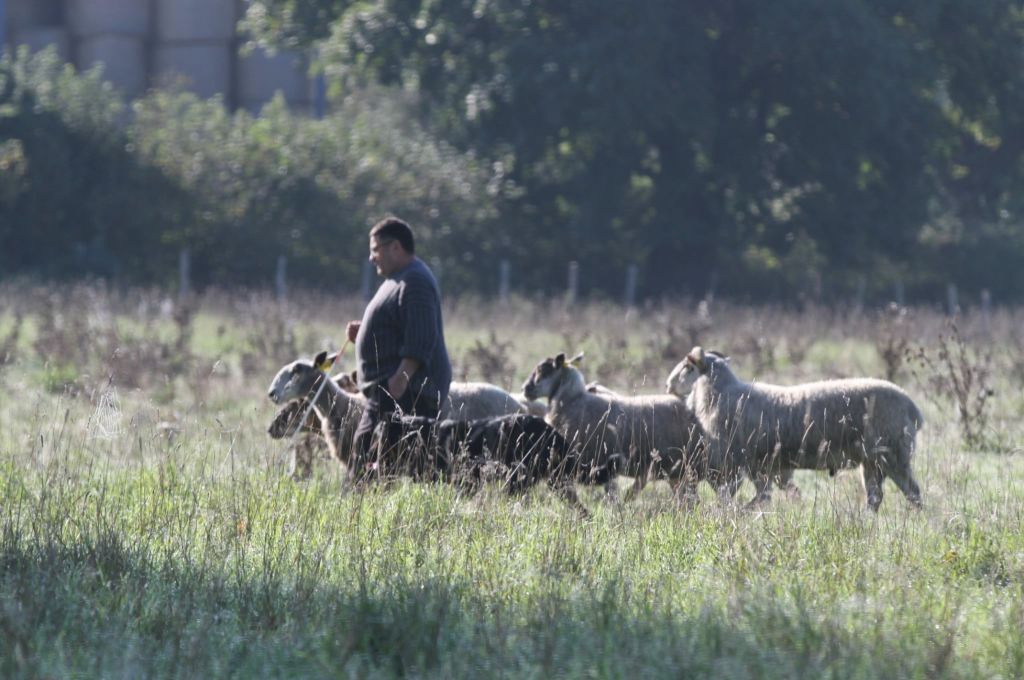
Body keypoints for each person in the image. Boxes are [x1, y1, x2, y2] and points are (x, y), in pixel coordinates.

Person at [346, 217, 452, 477]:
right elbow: (400, 324)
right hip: (390, 393)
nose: (372, 258)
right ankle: (370, 510)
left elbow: (421, 337)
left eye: (375, 249)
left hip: (406, 393)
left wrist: (400, 380)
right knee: (368, 455)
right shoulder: (399, 279)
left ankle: (379, 512)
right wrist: (365, 335)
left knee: (387, 464)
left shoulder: (414, 281)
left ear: (395, 247)